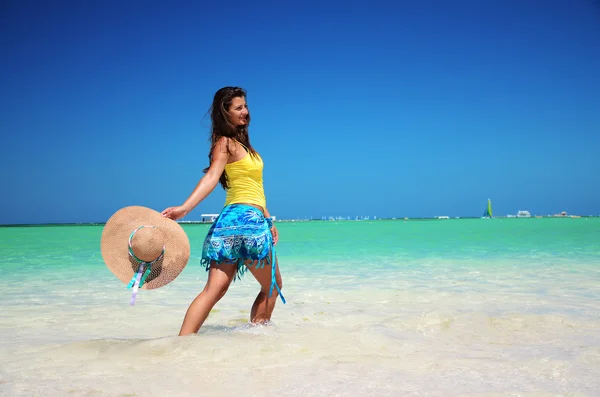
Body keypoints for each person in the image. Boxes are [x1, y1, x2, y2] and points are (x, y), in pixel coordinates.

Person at [162, 86, 285, 336]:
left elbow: (253, 188)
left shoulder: (238, 145)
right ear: (224, 113)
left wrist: (268, 218)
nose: (245, 112)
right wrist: (185, 208)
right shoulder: (225, 143)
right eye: (238, 108)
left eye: (246, 106)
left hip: (229, 224)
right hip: (248, 223)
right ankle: (257, 337)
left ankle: (182, 342)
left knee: (214, 290)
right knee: (272, 286)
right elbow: (211, 178)